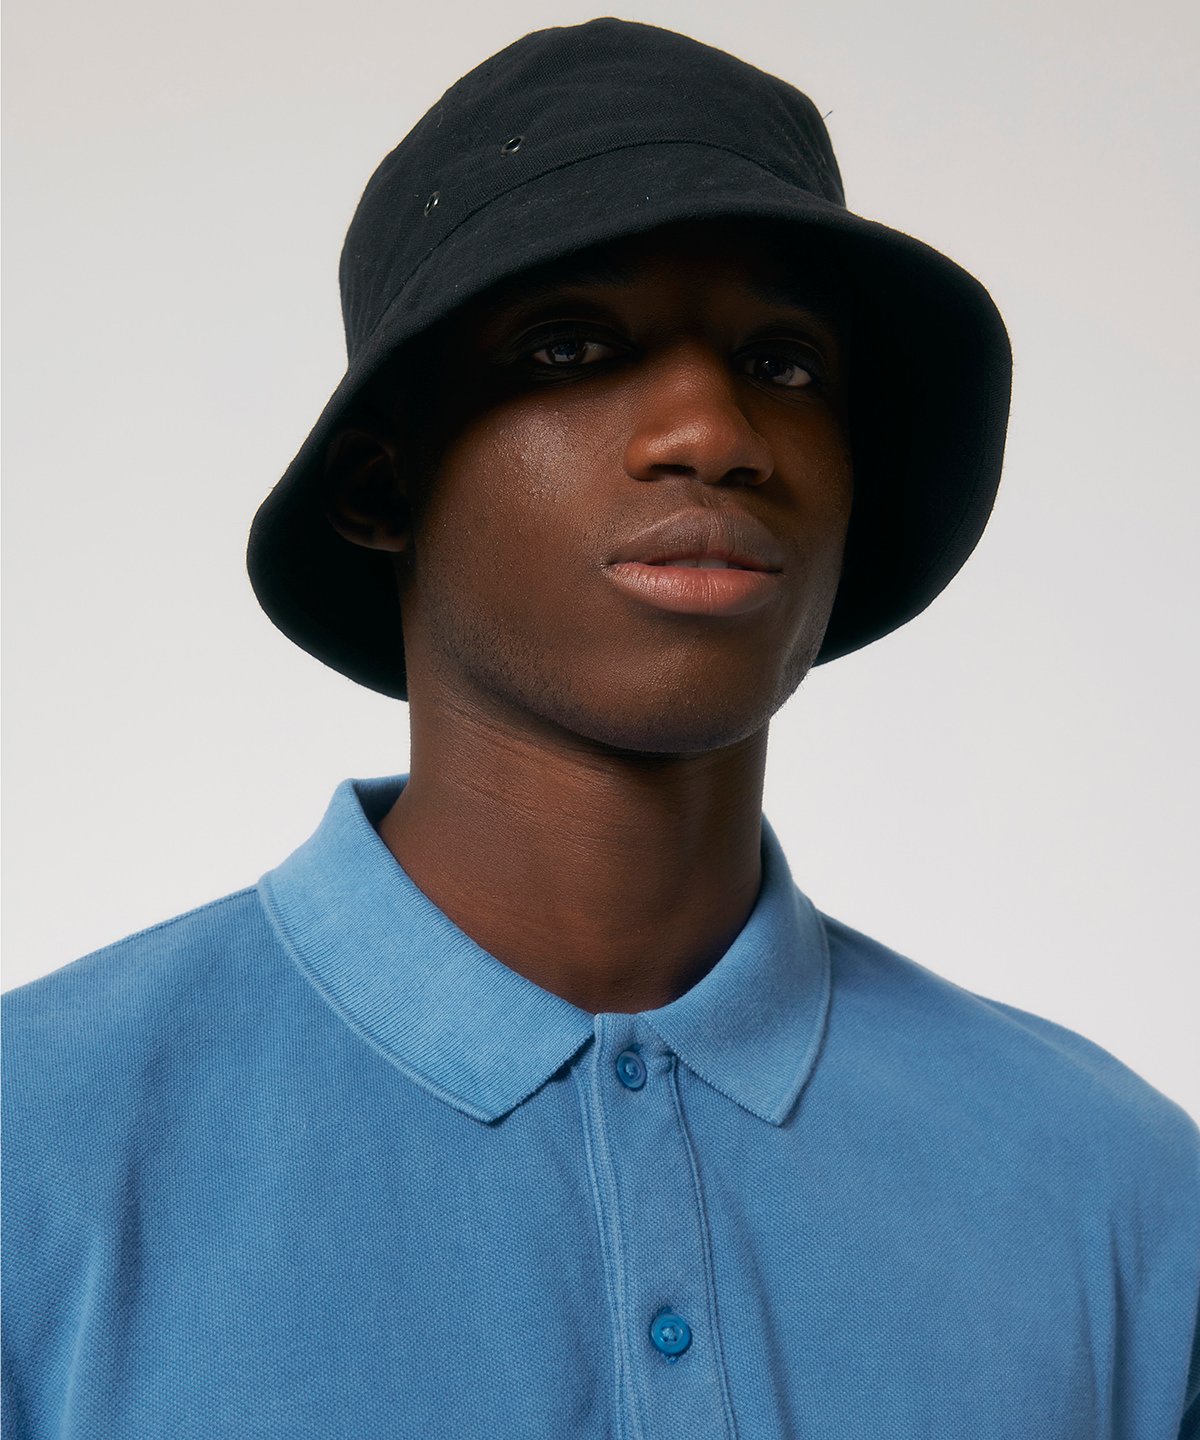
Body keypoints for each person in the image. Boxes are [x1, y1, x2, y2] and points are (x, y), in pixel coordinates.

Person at [3, 17, 1197, 1439]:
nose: (715, 431)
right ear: (381, 486)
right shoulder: (37, 1151)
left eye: (786, 363)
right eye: (570, 346)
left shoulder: (1118, 1195)